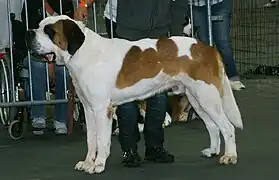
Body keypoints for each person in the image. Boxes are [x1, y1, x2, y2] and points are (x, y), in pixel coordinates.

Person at [75, 0, 188, 167]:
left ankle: (155, 146)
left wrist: (177, 33)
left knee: (159, 91)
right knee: (124, 93)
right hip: (128, 29)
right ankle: (129, 149)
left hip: (160, 31)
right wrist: (84, 3)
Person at [21, 0, 75, 135]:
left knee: (62, 70)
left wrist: (53, 60)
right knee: (37, 65)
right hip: (36, 53)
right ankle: (38, 116)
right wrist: (47, 60)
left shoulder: (65, 4)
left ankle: (61, 119)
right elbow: (29, 36)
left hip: (60, 53)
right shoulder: (31, 5)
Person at [191, 0, 245, 91]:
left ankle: (232, 77)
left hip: (219, 3)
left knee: (222, 42)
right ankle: (209, 78)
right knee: (204, 44)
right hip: (196, 4)